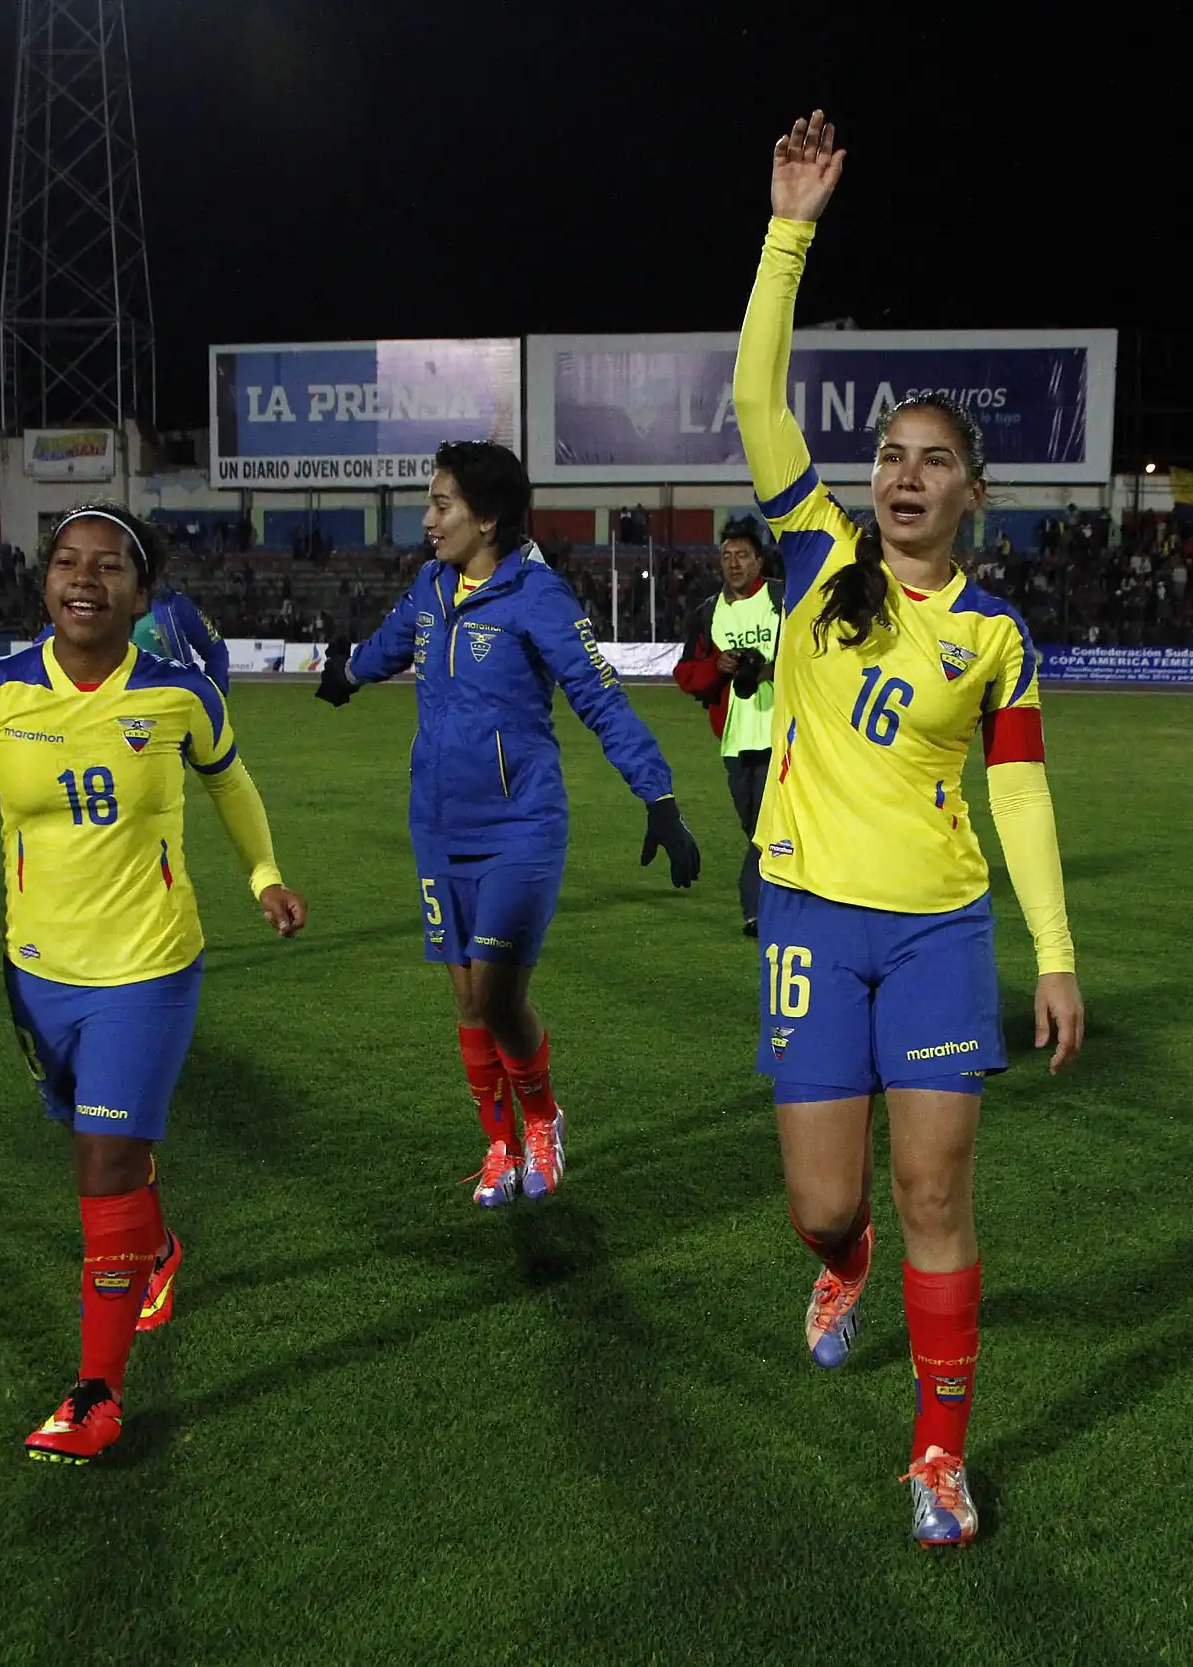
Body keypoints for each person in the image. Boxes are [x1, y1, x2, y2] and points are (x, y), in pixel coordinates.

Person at [734, 112, 1084, 1548]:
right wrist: (790, 227)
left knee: (940, 1185)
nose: (903, 471)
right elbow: (758, 399)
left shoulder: (997, 632)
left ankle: (939, 1452)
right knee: (829, 1201)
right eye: (889, 452)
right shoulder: (816, 559)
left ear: (972, 490)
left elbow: (1017, 790)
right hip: (810, 917)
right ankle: (844, 1259)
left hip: (939, 931)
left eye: (933, 458)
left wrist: (1053, 951)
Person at [0, 502, 307, 1465]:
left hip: (149, 965)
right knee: (86, 1141)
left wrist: (264, 875)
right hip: (36, 973)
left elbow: (229, 779)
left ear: (140, 591)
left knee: (105, 1163)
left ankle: (96, 1394)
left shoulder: (176, 695)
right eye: (68, 562)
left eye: (109, 566)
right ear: (45, 580)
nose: (86, 579)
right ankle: (152, 1251)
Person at [316, 440, 700, 1209]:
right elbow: (391, 647)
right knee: (464, 1001)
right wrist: (346, 673)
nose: (428, 520)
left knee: (495, 997)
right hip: (436, 825)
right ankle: (499, 1145)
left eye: (442, 504)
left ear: (486, 518)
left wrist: (659, 798)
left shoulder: (539, 597)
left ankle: (544, 1121)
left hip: (520, 825)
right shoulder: (431, 586)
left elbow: (601, 697)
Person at [671, 517, 782, 935]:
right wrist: (716, 667)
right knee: (757, 829)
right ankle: (783, 901)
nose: (734, 564)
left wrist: (771, 669)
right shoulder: (708, 614)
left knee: (768, 828)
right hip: (736, 741)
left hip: (784, 735)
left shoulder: (780, 599)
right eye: (727, 556)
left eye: (742, 556)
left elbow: (812, 653)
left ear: (759, 561)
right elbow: (685, 674)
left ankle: (755, 909)